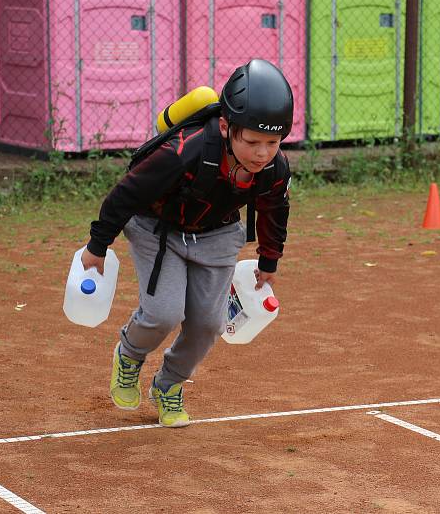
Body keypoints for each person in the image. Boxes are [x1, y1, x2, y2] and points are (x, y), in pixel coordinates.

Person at [81, 59, 293, 427]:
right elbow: (128, 192)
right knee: (164, 312)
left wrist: (269, 260)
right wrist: (98, 244)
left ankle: (169, 385)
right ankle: (129, 355)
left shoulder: (274, 169)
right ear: (227, 127)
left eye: (272, 143)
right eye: (253, 142)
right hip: (156, 228)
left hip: (217, 235)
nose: (262, 153)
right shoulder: (186, 150)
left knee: (208, 324)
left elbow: (275, 210)